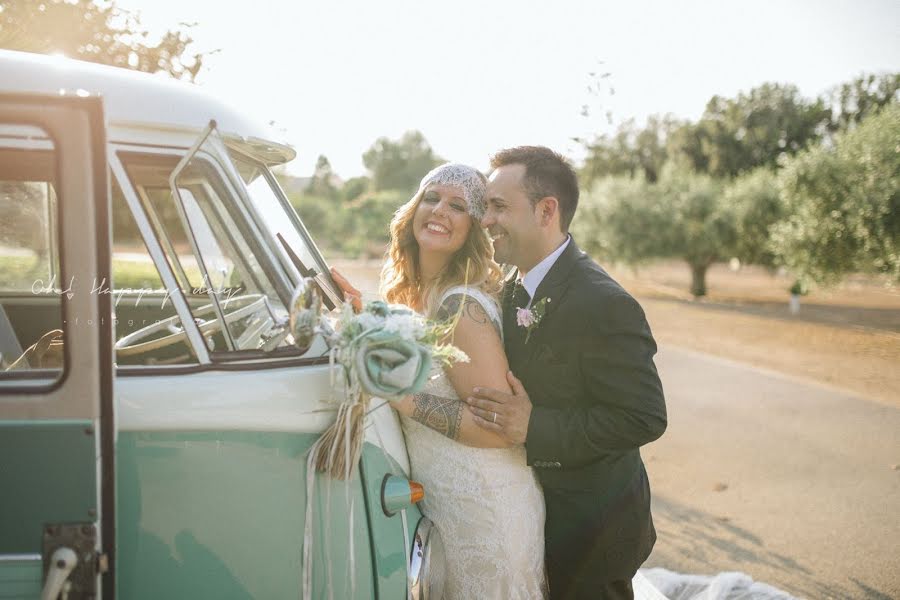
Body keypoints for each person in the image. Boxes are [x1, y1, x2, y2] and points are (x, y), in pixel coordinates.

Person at [333, 163, 548, 599]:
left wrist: (400, 396)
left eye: (457, 206)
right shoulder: (416, 293)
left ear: (473, 227)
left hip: (485, 511)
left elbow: (498, 431)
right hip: (446, 506)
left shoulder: (459, 306)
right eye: (431, 198)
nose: (439, 211)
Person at [465, 146, 667, 600]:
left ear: (547, 210)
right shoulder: (511, 286)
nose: (486, 220)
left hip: (594, 527)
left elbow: (644, 417)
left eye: (499, 206)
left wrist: (535, 426)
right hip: (532, 512)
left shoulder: (603, 303)